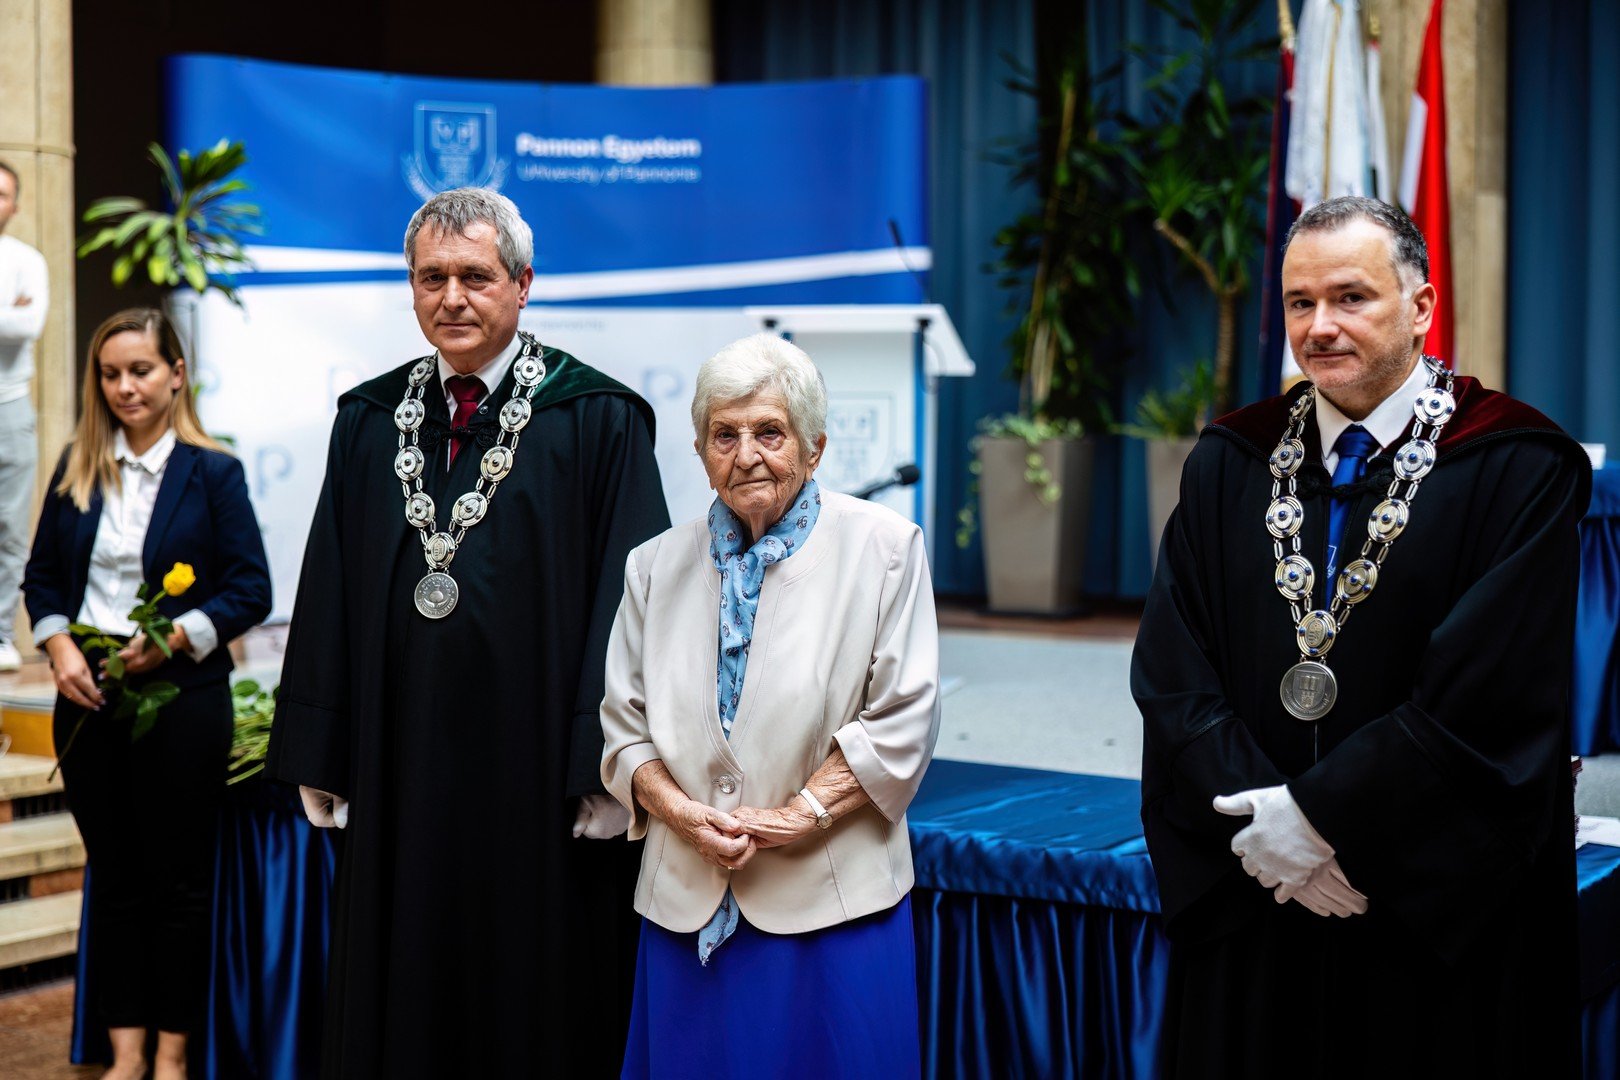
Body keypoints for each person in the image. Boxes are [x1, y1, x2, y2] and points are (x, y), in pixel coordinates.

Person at [1133, 195, 1591, 1077]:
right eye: (1300, 302)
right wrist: (1266, 830)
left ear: (1420, 307)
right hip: (1260, 883)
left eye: (1351, 297)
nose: (1320, 327)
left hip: (1427, 907)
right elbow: (1174, 670)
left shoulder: (1517, 463)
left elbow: (1487, 693)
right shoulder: (1231, 460)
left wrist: (1318, 820)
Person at [265, 187, 670, 1079]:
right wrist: (322, 747)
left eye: (476, 277)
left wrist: (607, 764)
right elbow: (329, 586)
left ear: (523, 285)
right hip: (399, 762)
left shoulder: (598, 418)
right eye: (432, 277)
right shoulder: (369, 420)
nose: (452, 297)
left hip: (539, 779)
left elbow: (634, 605)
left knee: (530, 989)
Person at [601, 332, 941, 1078]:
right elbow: (623, 731)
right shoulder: (652, 566)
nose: (746, 454)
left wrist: (796, 818)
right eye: (724, 435)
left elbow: (902, 722)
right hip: (684, 907)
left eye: (770, 432)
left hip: (832, 911)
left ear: (815, 448)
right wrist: (685, 816)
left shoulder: (887, 549)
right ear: (700, 452)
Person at [21, 307, 272, 1080]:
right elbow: (42, 580)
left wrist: (176, 637)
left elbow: (250, 589)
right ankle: (124, 1056)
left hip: (183, 697)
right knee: (115, 879)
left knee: (179, 884)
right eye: (110, 374)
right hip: (86, 693)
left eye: (140, 370)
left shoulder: (213, 471)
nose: (124, 387)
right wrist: (59, 646)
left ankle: (171, 1057)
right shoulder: (77, 465)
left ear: (176, 375)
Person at [0, 160, 48, 671]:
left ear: (15, 205)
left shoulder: (27, 260)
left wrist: (17, 316)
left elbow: (29, 324)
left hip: (10, 405)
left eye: (2, 193)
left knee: (10, 526)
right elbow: (11, 322)